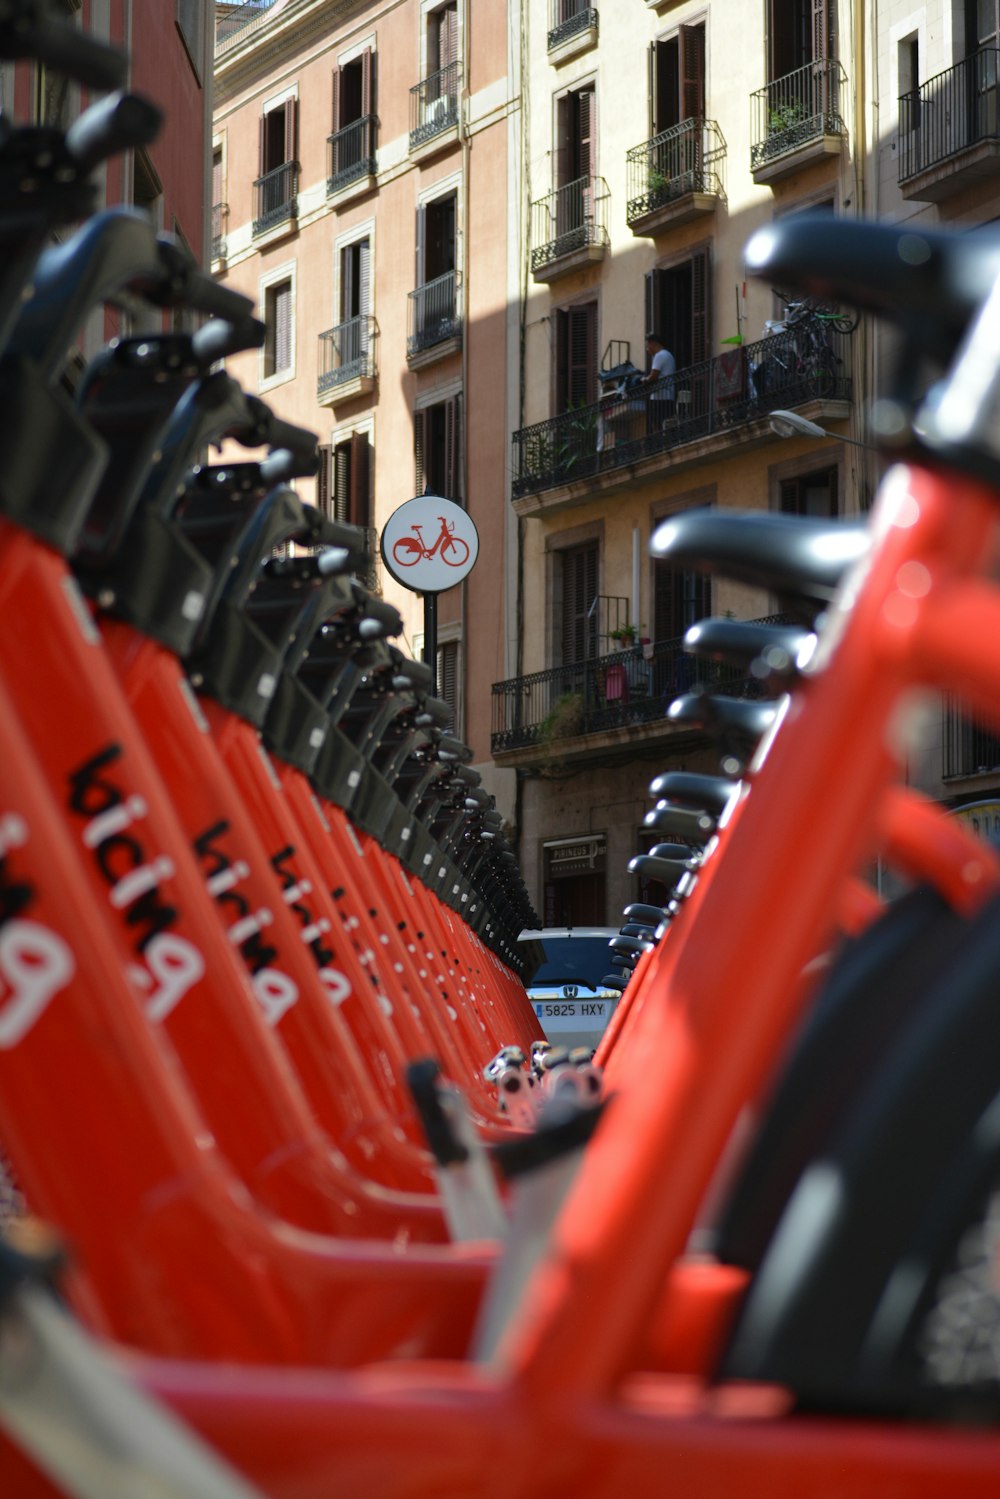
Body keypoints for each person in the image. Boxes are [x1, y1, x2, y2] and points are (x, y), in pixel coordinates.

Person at [644, 330, 676, 432]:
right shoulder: (668, 355)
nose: (647, 349)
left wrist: (644, 380)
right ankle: (664, 441)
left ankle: (659, 442)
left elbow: (653, 375)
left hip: (660, 396)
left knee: (656, 423)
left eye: (647, 346)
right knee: (666, 421)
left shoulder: (660, 355)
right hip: (669, 395)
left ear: (652, 344)